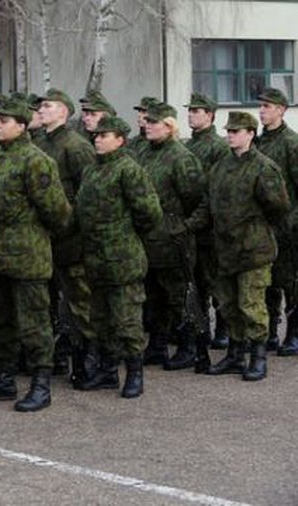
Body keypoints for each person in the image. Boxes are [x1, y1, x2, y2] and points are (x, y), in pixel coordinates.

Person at [0, 97, 72, 412]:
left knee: (33, 322)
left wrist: (31, 232)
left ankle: (40, 384)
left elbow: (58, 213)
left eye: (4, 121)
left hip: (26, 254)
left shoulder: (36, 161)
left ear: (21, 126)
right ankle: (4, 381)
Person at [75, 116, 162, 397]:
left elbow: (150, 213)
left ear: (120, 140)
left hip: (122, 258)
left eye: (105, 135)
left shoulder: (129, 170)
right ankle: (108, 371)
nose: (98, 139)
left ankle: (135, 373)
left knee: (127, 320)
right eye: (96, 135)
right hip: (96, 259)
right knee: (100, 319)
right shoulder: (91, 170)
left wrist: (123, 234)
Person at [206, 111, 290, 381]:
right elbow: (211, 201)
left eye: (236, 131)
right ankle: (235, 353)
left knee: (251, 304)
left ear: (250, 134)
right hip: (226, 249)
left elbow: (278, 207)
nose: (230, 135)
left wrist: (255, 228)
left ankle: (258, 356)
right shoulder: (221, 166)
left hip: (254, 249)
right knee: (228, 304)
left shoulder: (263, 167)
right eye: (228, 131)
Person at [136, 103, 207, 368]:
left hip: (173, 241)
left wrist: (183, 226)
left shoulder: (181, 157)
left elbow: (198, 200)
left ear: (169, 126)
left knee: (178, 295)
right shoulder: (144, 152)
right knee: (153, 296)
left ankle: (188, 346)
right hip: (149, 239)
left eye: (154, 123)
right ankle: (157, 345)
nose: (148, 126)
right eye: (147, 122)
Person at [35, 88, 97, 386]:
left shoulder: (75, 145)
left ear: (63, 111)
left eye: (48, 106)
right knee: (52, 302)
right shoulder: (41, 144)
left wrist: (74, 228)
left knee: (80, 301)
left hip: (71, 238)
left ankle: (90, 357)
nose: (42, 111)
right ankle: (62, 353)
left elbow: (89, 194)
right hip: (45, 237)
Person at [184, 92, 231, 352]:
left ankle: (223, 329)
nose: (191, 114)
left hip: (211, 226)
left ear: (210, 115)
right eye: (190, 110)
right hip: (192, 225)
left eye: (197, 111)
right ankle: (201, 329)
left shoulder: (218, 147)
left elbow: (218, 188)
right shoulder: (188, 146)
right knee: (197, 283)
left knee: (216, 282)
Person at [254, 88, 298, 356]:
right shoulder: (258, 142)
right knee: (266, 282)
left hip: (287, 227)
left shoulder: (291, 143)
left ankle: (293, 333)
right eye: (261, 106)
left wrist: (292, 222)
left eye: (268, 106)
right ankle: (270, 332)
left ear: (281, 110)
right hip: (263, 227)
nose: (262, 111)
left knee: (289, 282)